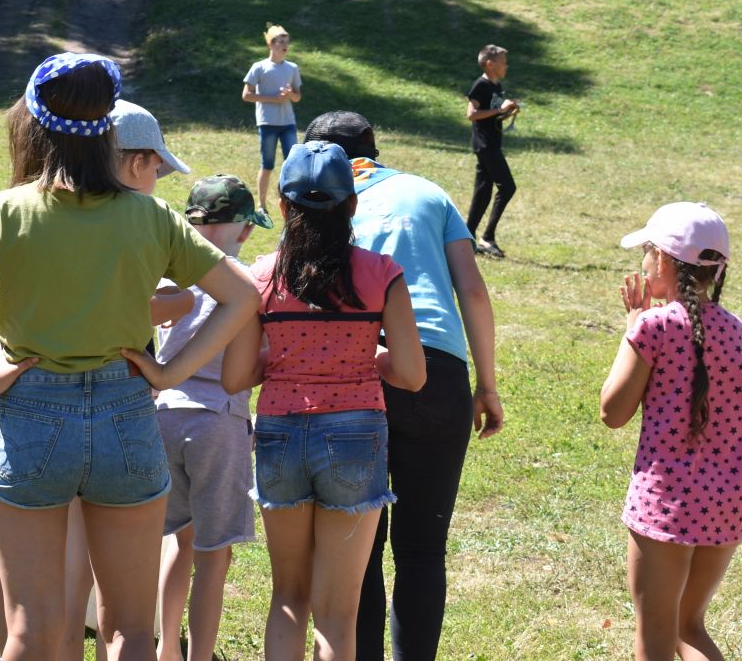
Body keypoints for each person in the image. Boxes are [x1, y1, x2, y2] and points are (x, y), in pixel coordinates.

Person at [0, 52, 257, 661]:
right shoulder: (150, 215)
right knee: (130, 632)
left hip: (30, 419)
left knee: (30, 634)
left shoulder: (3, 211)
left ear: (34, 126)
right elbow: (241, 295)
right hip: (126, 415)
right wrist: (169, 372)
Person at [302, 110, 502, 661]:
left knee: (358, 549)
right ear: (375, 146)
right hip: (439, 373)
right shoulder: (427, 192)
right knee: (422, 550)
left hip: (357, 370)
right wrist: (486, 384)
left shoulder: (322, 198)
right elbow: (474, 292)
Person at [220, 142, 426, 661]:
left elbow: (236, 376)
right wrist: (359, 358)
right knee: (338, 610)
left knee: (288, 596)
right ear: (352, 205)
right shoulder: (383, 274)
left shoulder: (260, 277)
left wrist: (287, 360)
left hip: (279, 431)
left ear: (285, 208)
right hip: (357, 434)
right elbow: (411, 373)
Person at [598, 203, 742, 661]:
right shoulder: (738, 332)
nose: (643, 264)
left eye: (646, 253)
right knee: (689, 628)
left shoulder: (653, 326)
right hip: (727, 502)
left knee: (657, 638)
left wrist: (631, 328)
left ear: (663, 261)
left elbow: (613, 411)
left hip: (666, 504)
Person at [155, 175, 271, 661]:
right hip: (220, 423)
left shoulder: (164, 278)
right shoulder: (245, 286)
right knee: (213, 554)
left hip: (163, 417)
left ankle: (165, 648)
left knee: (173, 540)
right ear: (244, 231)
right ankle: (200, 654)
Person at [463, 44, 519, 258]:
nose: (506, 65)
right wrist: (500, 110)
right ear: (490, 64)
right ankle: (487, 238)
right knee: (508, 187)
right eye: (503, 62)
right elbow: (472, 114)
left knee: (483, 192)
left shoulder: (497, 86)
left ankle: (467, 238)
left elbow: (493, 115)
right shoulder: (481, 85)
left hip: (492, 143)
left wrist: (507, 111)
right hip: (484, 144)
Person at [244, 24, 303, 207]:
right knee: (267, 164)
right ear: (270, 44)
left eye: (287, 42)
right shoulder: (259, 67)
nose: (285, 45)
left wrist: (289, 95)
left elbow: (297, 97)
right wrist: (273, 99)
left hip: (288, 123)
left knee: (292, 163)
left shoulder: (292, 68)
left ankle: (291, 200)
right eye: (281, 42)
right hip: (267, 122)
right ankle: (261, 205)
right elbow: (246, 95)